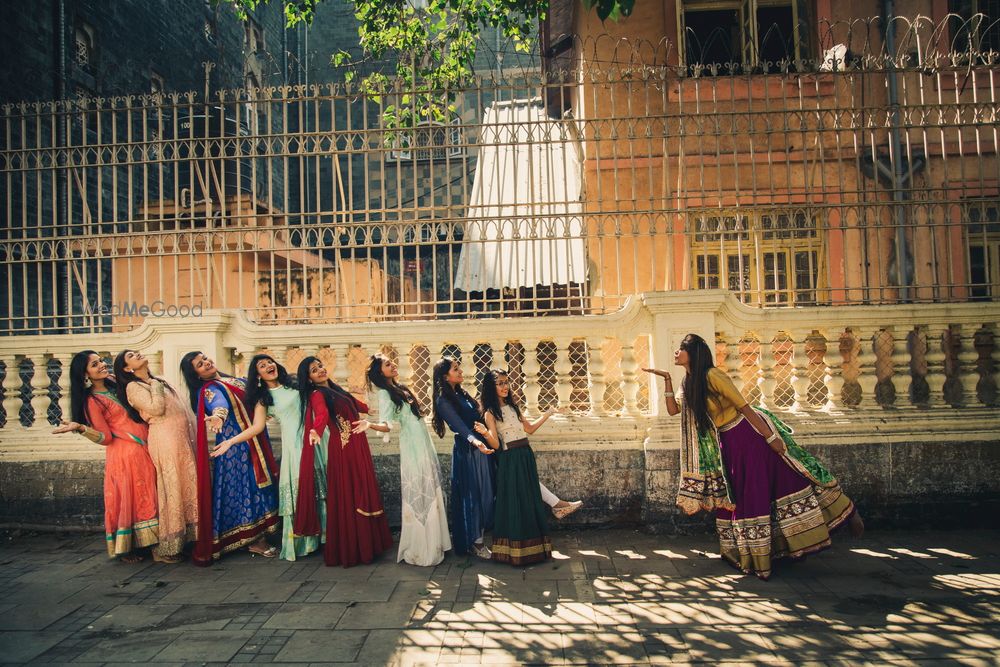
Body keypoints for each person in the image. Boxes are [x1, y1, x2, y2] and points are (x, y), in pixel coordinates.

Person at [643, 333, 864, 580]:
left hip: (748, 437)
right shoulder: (690, 382)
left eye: (680, 349)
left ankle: (846, 511)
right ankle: (759, 554)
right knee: (744, 494)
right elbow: (674, 411)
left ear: (692, 353)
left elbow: (744, 407)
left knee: (780, 482)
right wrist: (667, 380)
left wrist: (771, 438)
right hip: (728, 442)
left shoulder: (713, 376)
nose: (676, 353)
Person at [215, 354, 326, 561]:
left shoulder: (295, 383)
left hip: (319, 438)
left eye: (270, 362)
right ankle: (305, 542)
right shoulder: (264, 398)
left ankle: (327, 537)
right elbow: (256, 427)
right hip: (296, 446)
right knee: (304, 490)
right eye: (262, 365)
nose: (269, 366)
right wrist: (231, 441)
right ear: (257, 375)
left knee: (323, 489)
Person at [52, 351, 158, 563]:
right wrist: (81, 428)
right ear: (85, 374)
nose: (101, 365)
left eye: (100, 360)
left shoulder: (115, 384)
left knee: (149, 494)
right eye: (94, 364)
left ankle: (151, 543)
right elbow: (105, 438)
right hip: (126, 454)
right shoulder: (93, 401)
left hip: (144, 448)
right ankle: (129, 548)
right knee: (133, 498)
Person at [180, 351, 279, 565]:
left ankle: (261, 533)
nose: (206, 363)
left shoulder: (230, 379)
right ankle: (253, 539)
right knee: (246, 488)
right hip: (235, 447)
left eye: (205, 359)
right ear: (195, 374)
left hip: (254, 437)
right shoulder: (209, 390)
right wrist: (218, 416)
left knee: (259, 485)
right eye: (200, 364)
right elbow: (219, 404)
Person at [299, 356, 392, 567]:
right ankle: (354, 549)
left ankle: (368, 546)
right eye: (314, 370)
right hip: (345, 448)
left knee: (362, 488)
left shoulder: (335, 388)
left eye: (320, 366)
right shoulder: (317, 394)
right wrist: (316, 430)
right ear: (309, 378)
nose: (320, 370)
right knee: (353, 491)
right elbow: (321, 415)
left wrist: (373, 410)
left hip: (357, 443)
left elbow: (356, 404)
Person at [363, 353, 451, 566]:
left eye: (391, 362)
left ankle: (436, 541)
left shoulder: (399, 387)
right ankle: (421, 547)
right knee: (420, 489)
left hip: (422, 442)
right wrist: (369, 425)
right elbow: (386, 425)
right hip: (412, 446)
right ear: (379, 371)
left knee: (429, 486)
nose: (392, 365)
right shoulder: (385, 394)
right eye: (387, 364)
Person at [114, 349, 198, 563]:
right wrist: (156, 387)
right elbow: (156, 408)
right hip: (165, 439)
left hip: (180, 438)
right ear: (127, 368)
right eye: (132, 356)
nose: (138, 354)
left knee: (188, 483)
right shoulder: (133, 387)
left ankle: (190, 539)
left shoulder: (156, 380)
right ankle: (169, 547)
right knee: (172, 486)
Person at [476, 368, 553, 565]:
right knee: (514, 502)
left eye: (506, 382)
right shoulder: (490, 413)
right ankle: (513, 552)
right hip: (509, 459)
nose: (505, 386)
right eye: (500, 383)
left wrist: (548, 413)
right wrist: (485, 433)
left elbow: (530, 429)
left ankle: (535, 550)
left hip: (525, 455)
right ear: (491, 387)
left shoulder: (514, 407)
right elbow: (494, 444)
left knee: (530, 498)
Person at [431, 356, 495, 559]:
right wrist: (477, 443)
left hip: (483, 447)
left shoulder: (463, 394)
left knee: (487, 493)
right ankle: (476, 542)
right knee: (473, 496)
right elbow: (460, 427)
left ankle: (481, 535)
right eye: (455, 369)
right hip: (468, 452)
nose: (460, 372)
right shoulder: (443, 400)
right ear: (445, 376)